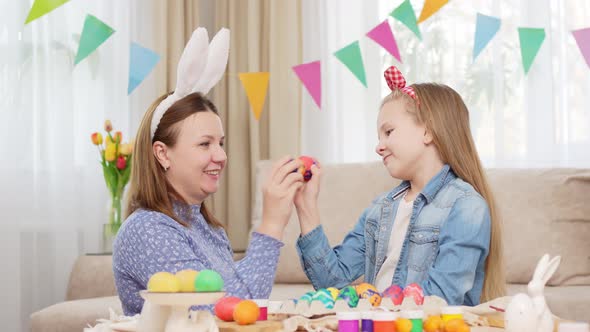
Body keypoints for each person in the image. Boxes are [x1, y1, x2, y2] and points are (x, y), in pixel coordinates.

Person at [112, 27, 305, 316]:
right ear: (163, 153)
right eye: (205, 144)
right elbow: (232, 313)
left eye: (221, 143)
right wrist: (272, 223)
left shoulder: (208, 228)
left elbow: (236, 293)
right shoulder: (147, 230)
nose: (221, 156)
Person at [293, 66, 505, 306]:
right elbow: (332, 282)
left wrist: (369, 304)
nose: (379, 146)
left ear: (428, 131)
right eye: (378, 136)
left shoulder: (466, 207)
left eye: (388, 132)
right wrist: (305, 206)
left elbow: (438, 300)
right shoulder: (381, 209)